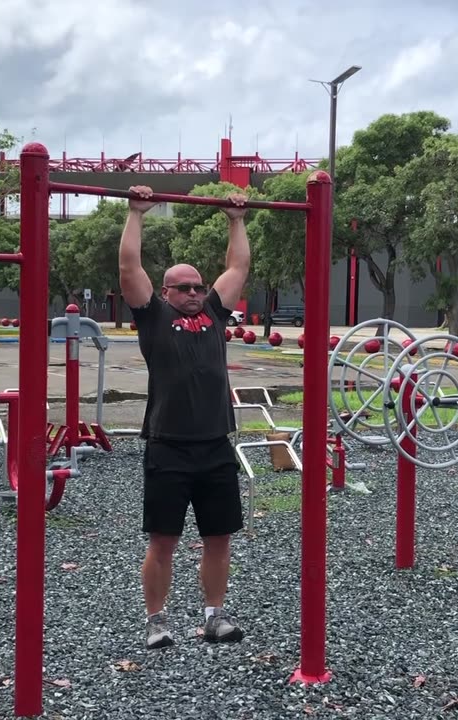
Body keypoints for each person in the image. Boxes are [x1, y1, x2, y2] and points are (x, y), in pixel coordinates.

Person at [118, 184, 251, 650]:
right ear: (167, 289)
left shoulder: (216, 313)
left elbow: (237, 267)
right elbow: (129, 267)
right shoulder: (152, 316)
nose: (195, 293)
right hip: (168, 445)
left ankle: (214, 616)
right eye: (185, 287)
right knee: (163, 541)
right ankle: (156, 620)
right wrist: (136, 213)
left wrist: (236, 219)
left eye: (198, 286)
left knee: (219, 538)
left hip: (216, 443)